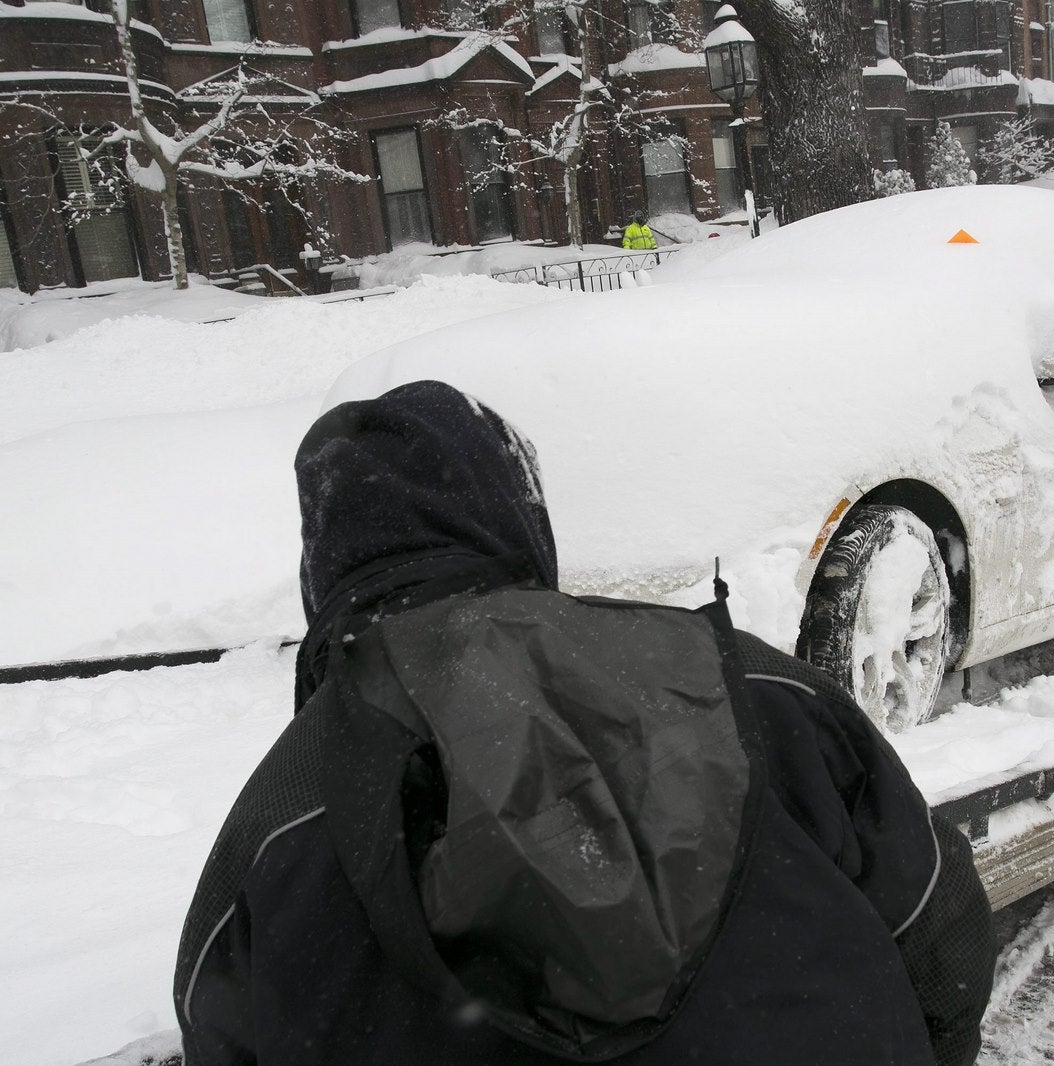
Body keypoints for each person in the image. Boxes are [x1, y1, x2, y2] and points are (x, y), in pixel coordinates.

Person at [173, 380, 995, 1066]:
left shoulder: (283, 818)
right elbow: (939, 919)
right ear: (515, 517)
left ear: (325, 568)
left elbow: (220, 1028)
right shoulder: (750, 687)